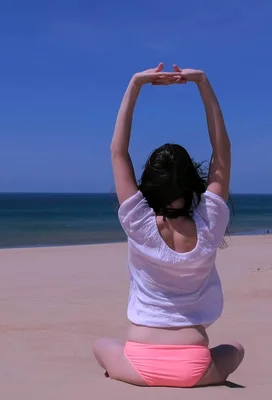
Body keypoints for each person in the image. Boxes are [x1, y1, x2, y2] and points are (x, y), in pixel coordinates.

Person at [93, 63, 244, 388]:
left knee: (101, 346)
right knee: (236, 350)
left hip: (139, 360)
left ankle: (123, 370)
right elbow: (223, 152)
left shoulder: (138, 221)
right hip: (195, 363)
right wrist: (202, 82)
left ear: (148, 184)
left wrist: (135, 84)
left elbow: (118, 152)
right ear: (192, 183)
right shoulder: (209, 222)